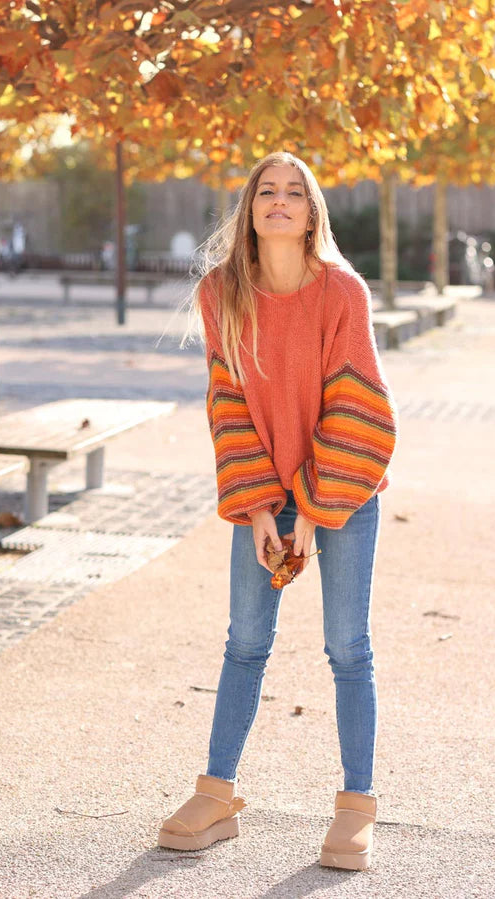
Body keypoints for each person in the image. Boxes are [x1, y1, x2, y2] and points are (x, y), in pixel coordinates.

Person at [157, 151, 398, 871]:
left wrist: (314, 511)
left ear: (312, 210)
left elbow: (362, 408)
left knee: (347, 647)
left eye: (296, 192)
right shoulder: (219, 293)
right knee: (244, 641)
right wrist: (261, 507)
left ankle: (356, 806)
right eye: (268, 190)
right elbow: (227, 402)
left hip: (341, 485)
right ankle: (218, 794)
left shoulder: (342, 293)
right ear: (250, 207)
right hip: (263, 490)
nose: (281, 201)